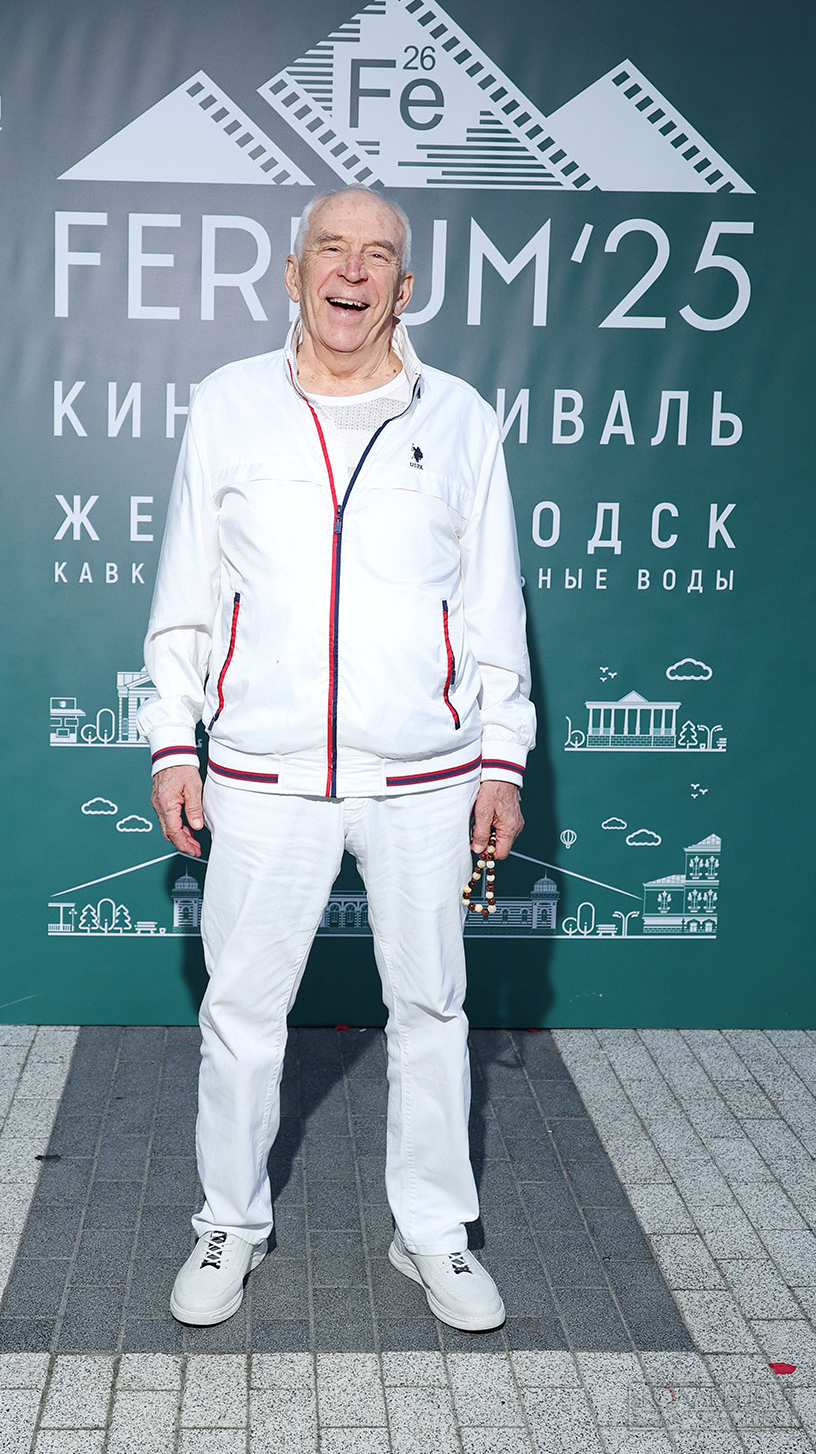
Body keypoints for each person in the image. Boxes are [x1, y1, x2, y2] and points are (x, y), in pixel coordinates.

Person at [139, 187, 535, 1333]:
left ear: (403, 289)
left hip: (424, 775)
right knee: (240, 1012)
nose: (351, 271)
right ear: (293, 272)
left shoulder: (459, 417)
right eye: (331, 249)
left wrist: (501, 761)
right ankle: (229, 1220)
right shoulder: (228, 404)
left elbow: (492, 605)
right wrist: (172, 740)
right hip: (262, 774)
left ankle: (434, 1234)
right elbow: (188, 588)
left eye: (376, 257)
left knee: (431, 1010)